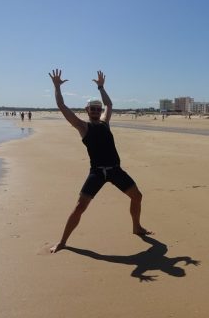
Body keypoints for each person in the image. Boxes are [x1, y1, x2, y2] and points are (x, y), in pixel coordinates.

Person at [48, 69, 151, 254]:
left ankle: (137, 227)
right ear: (87, 111)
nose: (96, 111)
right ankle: (63, 242)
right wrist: (56, 87)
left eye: (97, 108)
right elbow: (62, 106)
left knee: (137, 196)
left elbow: (109, 104)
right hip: (96, 172)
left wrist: (101, 87)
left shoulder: (105, 122)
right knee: (80, 207)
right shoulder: (82, 126)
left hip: (115, 170)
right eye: (92, 109)